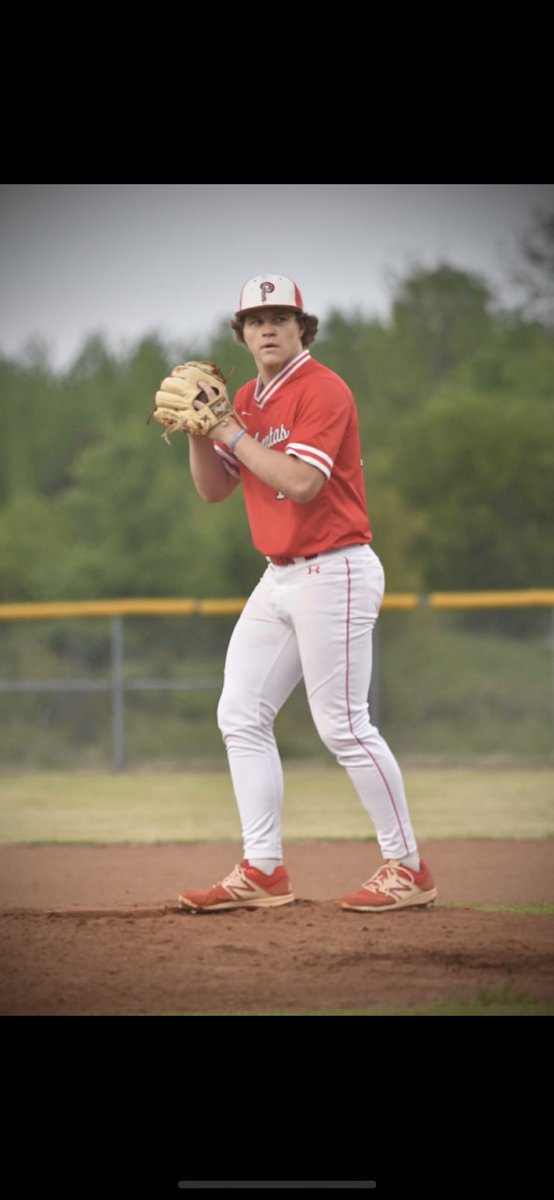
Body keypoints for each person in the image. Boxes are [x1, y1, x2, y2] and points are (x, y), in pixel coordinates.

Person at [177, 275, 437, 914]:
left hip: (335, 568)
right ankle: (263, 869)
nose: (267, 328)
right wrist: (198, 430)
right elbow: (214, 491)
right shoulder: (244, 399)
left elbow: (300, 484)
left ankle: (408, 867)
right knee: (240, 714)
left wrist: (227, 431)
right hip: (279, 575)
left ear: (302, 327)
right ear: (241, 334)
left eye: (280, 317)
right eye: (255, 319)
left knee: (344, 725)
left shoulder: (324, 389)